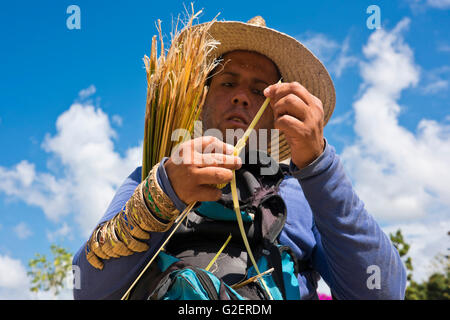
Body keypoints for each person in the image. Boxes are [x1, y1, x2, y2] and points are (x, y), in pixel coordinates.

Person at [72, 16, 406, 300]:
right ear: (201, 100)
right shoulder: (155, 174)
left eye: (259, 91)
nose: (241, 98)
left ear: (275, 111)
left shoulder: (301, 191)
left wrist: (319, 165)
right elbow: (86, 288)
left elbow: (384, 291)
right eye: (228, 82)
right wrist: (164, 193)